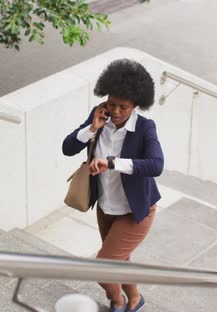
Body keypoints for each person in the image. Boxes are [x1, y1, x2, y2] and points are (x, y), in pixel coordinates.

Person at [62, 59, 164, 312]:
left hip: (135, 210)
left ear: (136, 105)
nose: (116, 111)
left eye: (123, 107)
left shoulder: (145, 128)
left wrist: (111, 163)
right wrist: (91, 127)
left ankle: (118, 302)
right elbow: (67, 148)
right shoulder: (99, 116)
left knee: (103, 268)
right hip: (106, 207)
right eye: (111, 104)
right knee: (120, 261)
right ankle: (135, 298)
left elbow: (156, 165)